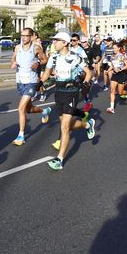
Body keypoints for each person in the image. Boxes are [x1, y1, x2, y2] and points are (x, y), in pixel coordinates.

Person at [41, 32, 96, 171]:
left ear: (65, 43)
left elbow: (89, 72)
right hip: (58, 91)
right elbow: (47, 73)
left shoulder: (75, 57)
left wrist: (86, 82)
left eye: (57, 40)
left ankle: (59, 160)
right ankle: (87, 124)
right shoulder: (53, 57)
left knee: (64, 127)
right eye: (54, 40)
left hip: (71, 91)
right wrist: (39, 83)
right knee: (65, 125)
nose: (54, 43)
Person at [10, 27, 50, 146]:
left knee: (21, 108)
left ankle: (21, 135)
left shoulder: (36, 47)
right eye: (22, 35)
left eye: (26, 36)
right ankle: (45, 110)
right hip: (20, 81)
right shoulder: (17, 47)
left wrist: (37, 63)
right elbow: (13, 59)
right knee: (29, 109)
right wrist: (13, 63)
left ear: (31, 36)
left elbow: (45, 59)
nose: (23, 38)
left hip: (31, 82)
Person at [106, 40, 127, 114]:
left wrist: (119, 69)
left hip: (121, 74)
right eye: (113, 48)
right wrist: (107, 70)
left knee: (120, 92)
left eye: (115, 48)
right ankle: (112, 107)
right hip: (115, 75)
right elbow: (112, 65)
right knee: (112, 91)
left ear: (119, 48)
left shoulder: (122, 56)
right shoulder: (112, 56)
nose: (114, 49)